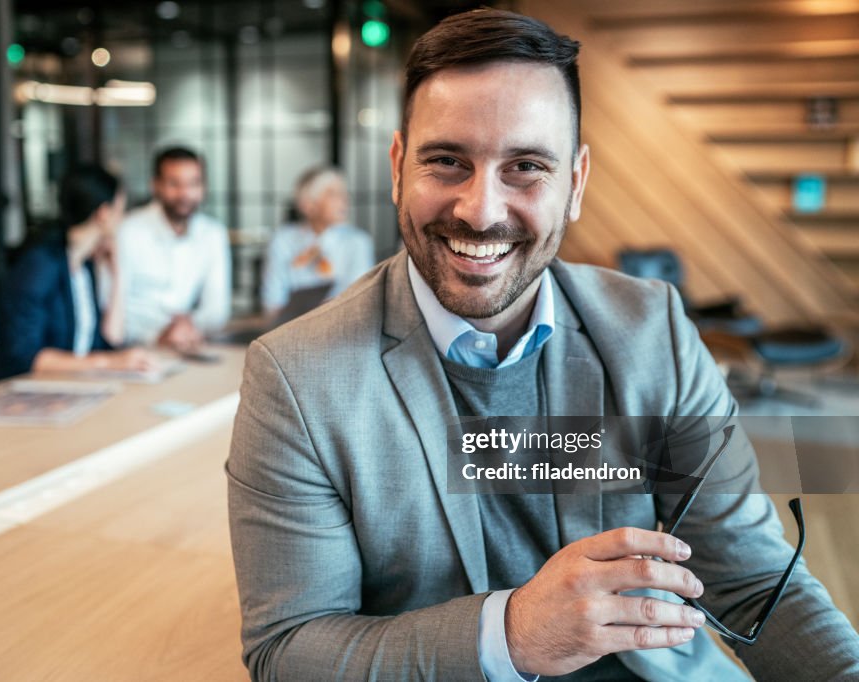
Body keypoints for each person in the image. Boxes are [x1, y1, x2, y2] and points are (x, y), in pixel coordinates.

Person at [226, 9, 859, 681]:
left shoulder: (654, 332)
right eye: (447, 161)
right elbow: (289, 649)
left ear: (576, 183)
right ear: (398, 166)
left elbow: (756, 579)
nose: (481, 209)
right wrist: (511, 634)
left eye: (525, 166)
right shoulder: (296, 377)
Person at [0, 164, 156, 386]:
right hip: (11, 394)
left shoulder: (83, 266)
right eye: (120, 210)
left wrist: (118, 275)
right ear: (103, 213)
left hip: (66, 389)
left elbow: (110, 340)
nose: (123, 218)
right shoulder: (39, 265)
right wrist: (109, 362)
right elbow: (25, 357)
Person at [116, 146, 231, 353]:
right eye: (174, 183)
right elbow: (110, 304)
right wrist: (157, 335)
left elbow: (217, 309)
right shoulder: (127, 231)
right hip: (133, 349)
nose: (185, 193)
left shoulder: (213, 234)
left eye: (194, 183)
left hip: (189, 346)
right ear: (156, 186)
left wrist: (189, 325)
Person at [260, 166, 374, 317]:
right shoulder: (282, 241)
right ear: (308, 205)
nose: (344, 200)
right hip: (289, 329)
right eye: (332, 194)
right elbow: (272, 299)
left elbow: (360, 300)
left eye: (344, 193)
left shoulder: (358, 242)